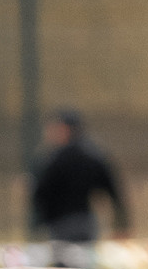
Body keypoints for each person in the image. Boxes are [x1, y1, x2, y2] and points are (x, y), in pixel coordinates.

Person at [30, 109, 131, 259]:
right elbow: (113, 190)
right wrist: (122, 223)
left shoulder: (53, 159)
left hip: (60, 224)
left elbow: (40, 193)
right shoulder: (94, 156)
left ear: (65, 129)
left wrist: (37, 223)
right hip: (86, 223)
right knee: (84, 265)